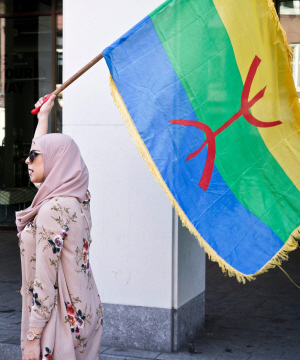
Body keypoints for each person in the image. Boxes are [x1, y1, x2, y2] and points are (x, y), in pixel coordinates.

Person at [16, 95, 103, 360]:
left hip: (56, 321)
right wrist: (44, 117)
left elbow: (44, 277)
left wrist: (33, 335)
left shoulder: (53, 209)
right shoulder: (77, 197)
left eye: (34, 156)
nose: (27, 161)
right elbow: (47, 169)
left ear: (55, 161)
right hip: (84, 312)